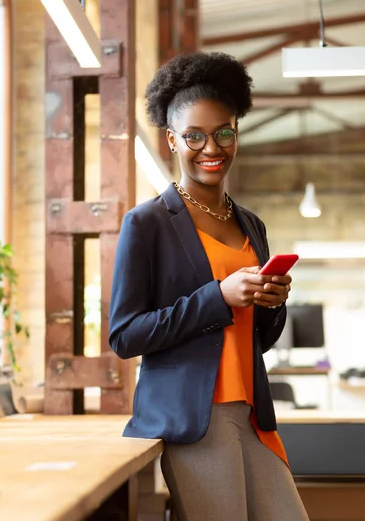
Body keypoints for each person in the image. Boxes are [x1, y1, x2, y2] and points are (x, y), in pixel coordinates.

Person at [109, 52, 309, 521]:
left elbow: (257, 337)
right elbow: (125, 335)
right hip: (196, 419)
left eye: (223, 133)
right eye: (194, 136)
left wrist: (272, 303)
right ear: (172, 140)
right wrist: (216, 297)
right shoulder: (147, 223)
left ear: (236, 133)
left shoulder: (250, 224)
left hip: (252, 413)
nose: (211, 148)